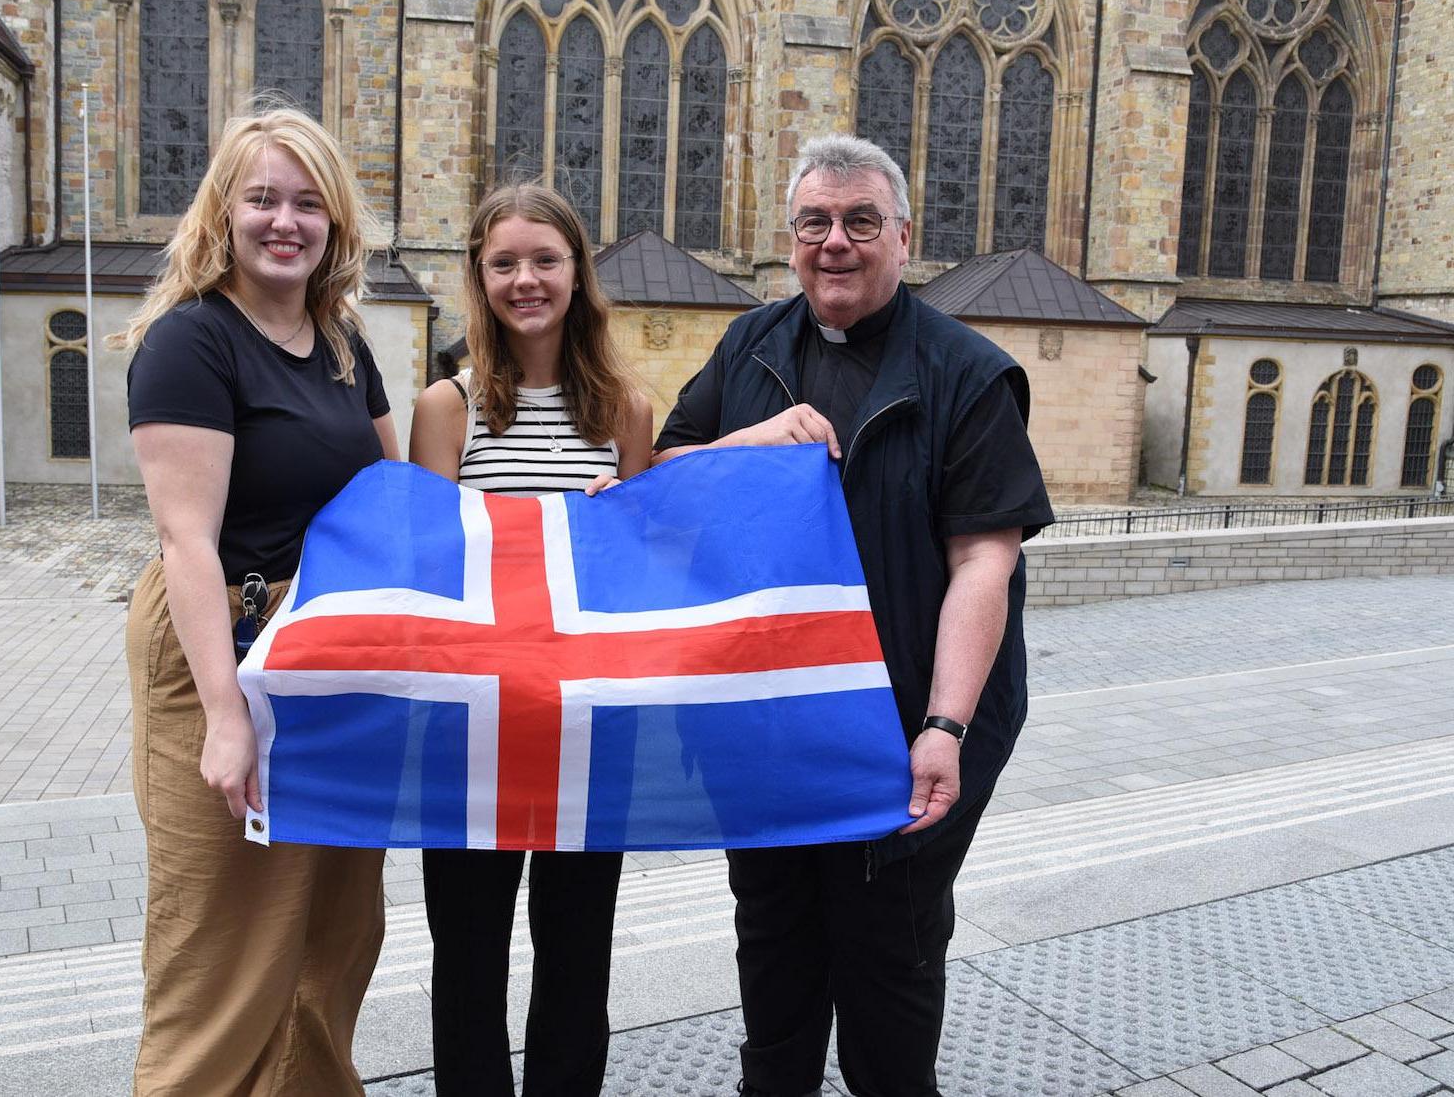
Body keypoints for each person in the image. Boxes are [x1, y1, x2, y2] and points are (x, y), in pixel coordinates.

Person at [653, 134, 1054, 1097]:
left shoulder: (970, 373)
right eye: (815, 223)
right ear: (791, 240)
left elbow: (982, 563)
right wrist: (754, 438)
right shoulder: (750, 345)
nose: (836, 241)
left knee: (889, 962)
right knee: (777, 958)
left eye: (860, 222)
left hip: (909, 727)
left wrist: (946, 726)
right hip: (771, 726)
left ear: (903, 237)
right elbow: (662, 478)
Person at [121, 106, 397, 1096]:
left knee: (332, 932)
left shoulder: (339, 341)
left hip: (328, 658)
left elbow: (390, 500)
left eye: (307, 202)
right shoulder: (192, 343)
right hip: (224, 647)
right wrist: (227, 718)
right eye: (263, 199)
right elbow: (185, 540)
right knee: (224, 940)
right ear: (223, 212)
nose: (286, 220)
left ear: (334, 220)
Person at [408, 183, 653, 1096]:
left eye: (545, 259)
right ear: (480, 275)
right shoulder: (449, 407)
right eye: (504, 261)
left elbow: (637, 573)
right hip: (473, 725)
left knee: (578, 952)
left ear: (578, 273)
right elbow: (433, 570)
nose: (526, 279)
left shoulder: (623, 409)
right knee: (467, 957)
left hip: (590, 722)